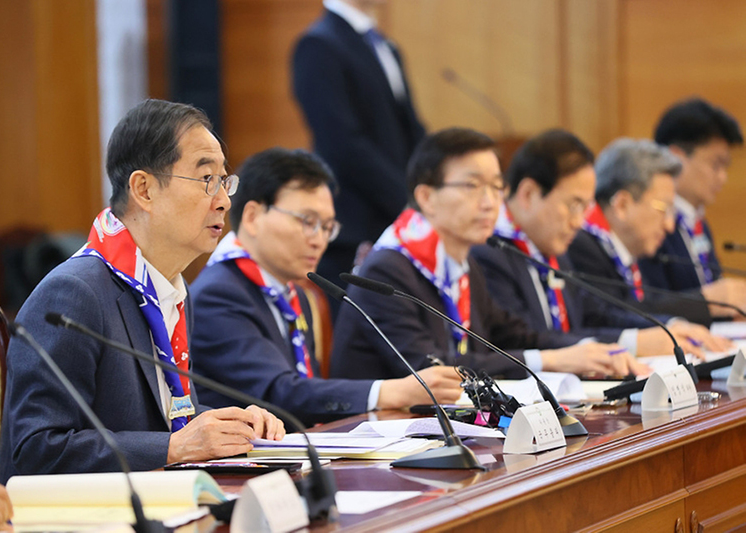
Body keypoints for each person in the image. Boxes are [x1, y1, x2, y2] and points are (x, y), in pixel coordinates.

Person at [0, 100, 284, 485]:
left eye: (224, 181)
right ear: (144, 189)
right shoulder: (73, 295)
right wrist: (176, 447)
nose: (224, 200)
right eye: (205, 180)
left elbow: (164, 419)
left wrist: (236, 425)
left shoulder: (171, 290)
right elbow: (35, 449)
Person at [330, 128, 647, 382]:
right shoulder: (386, 271)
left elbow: (513, 335)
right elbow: (432, 367)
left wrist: (586, 351)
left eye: (496, 188)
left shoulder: (463, 264)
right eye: (472, 186)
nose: (489, 203)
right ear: (426, 196)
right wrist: (551, 360)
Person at [189, 148, 462, 426]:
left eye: (327, 227)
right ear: (252, 217)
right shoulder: (219, 294)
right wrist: (393, 391)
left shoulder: (296, 295)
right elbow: (277, 392)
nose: (318, 240)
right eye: (308, 222)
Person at [473, 131, 729, 359]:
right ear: (529, 194)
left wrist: (666, 326)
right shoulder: (490, 252)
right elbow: (522, 338)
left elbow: (595, 314)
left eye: (585, 208)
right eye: (573, 206)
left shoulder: (553, 249)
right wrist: (632, 343)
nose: (579, 222)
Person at [292, 0, 426, 306]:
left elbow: (411, 129)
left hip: (398, 221)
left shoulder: (384, 45)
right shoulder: (318, 45)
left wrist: (430, 189)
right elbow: (342, 145)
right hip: (357, 225)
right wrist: (408, 204)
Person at [569, 138, 735, 335]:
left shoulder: (635, 251)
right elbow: (608, 317)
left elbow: (642, 306)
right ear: (622, 205)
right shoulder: (581, 246)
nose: (669, 226)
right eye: (663, 209)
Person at [640, 98, 746, 316]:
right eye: (715, 165)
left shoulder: (699, 224)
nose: (723, 177)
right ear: (676, 157)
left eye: (725, 167)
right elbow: (644, 303)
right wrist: (707, 302)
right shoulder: (651, 222)